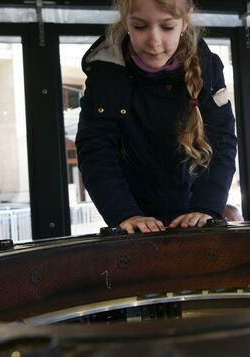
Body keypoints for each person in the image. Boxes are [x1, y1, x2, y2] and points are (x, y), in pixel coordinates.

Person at [76, 0, 237, 234]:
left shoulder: (208, 68)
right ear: (126, 21)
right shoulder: (104, 74)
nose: (154, 40)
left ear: (185, 21)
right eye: (140, 27)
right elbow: (96, 152)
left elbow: (222, 142)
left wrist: (206, 207)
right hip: (130, 212)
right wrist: (124, 214)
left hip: (193, 208)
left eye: (167, 27)